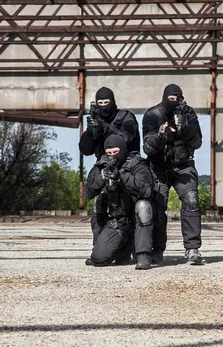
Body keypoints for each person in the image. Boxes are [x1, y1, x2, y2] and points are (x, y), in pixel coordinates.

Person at [142, 83, 203, 265]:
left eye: (177, 99)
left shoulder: (189, 113)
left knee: (191, 199)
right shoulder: (152, 115)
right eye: (170, 99)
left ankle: (192, 249)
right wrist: (161, 135)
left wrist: (185, 127)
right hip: (159, 167)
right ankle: (157, 249)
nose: (174, 102)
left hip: (183, 165)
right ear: (164, 98)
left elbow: (198, 142)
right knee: (158, 206)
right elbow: (147, 148)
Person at [84, 134, 154, 270]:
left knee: (144, 206)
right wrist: (101, 178)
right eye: (109, 153)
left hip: (137, 219)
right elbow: (87, 193)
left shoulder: (137, 163)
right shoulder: (101, 164)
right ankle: (117, 247)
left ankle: (143, 254)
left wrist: (121, 177)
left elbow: (147, 190)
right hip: (118, 220)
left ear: (122, 149)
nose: (112, 156)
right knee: (98, 259)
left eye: (116, 152)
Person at [79, 86, 140, 241]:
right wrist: (92, 132)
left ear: (113, 102)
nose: (104, 106)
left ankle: (137, 246)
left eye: (107, 102)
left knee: (135, 207)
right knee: (98, 203)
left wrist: (105, 128)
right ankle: (99, 245)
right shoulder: (97, 122)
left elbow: (127, 137)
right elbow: (85, 149)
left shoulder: (126, 117)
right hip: (104, 166)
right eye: (100, 102)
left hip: (128, 167)